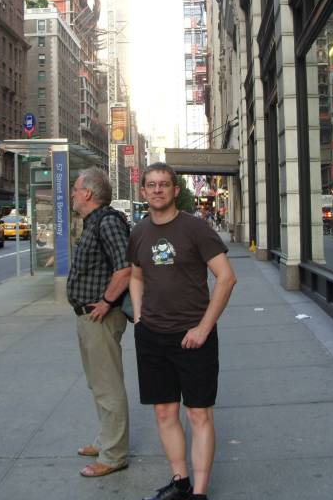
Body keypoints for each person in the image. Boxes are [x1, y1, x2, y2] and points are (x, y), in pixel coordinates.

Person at [128, 162, 238, 500]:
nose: (157, 190)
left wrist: (204, 328)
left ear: (176, 190)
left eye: (164, 184)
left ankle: (199, 493)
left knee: (198, 414)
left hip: (193, 337)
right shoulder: (139, 232)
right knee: (164, 412)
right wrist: (139, 318)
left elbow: (226, 278)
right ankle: (180, 482)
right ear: (143, 191)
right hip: (152, 336)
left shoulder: (195, 228)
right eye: (151, 184)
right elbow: (135, 276)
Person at [67, 167, 132, 478]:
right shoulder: (94, 222)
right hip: (88, 317)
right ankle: (106, 440)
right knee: (98, 383)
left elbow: (126, 268)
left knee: (108, 386)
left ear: (88, 194)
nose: (72, 194)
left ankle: (114, 455)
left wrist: (106, 301)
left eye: (75, 189)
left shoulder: (107, 222)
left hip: (101, 317)